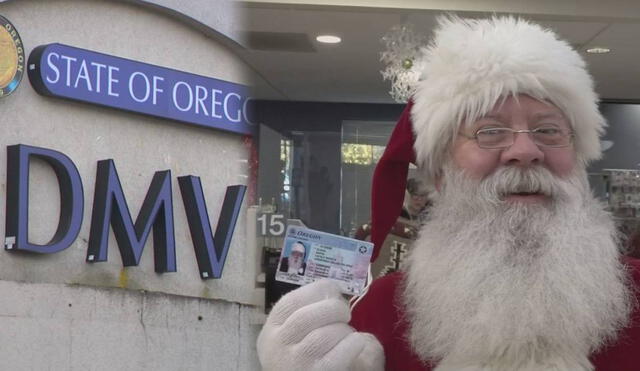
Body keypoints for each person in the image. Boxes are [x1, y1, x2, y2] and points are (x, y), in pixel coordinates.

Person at [257, 16, 640, 371]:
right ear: (441, 173)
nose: (525, 151)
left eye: (549, 131)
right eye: (490, 131)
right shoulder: (378, 314)